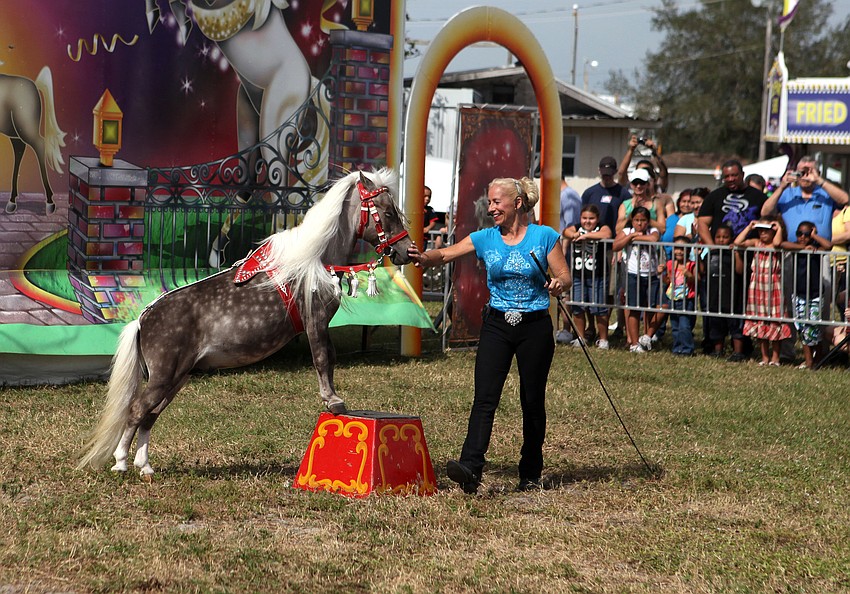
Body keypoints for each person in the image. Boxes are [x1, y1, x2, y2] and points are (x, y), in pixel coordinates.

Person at [408, 177, 571, 494]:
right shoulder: (485, 238)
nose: (491, 207)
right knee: (484, 399)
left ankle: (530, 473)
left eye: (497, 202)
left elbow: (564, 276)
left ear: (517, 203)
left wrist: (558, 284)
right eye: (490, 201)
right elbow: (445, 254)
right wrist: (422, 257)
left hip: (534, 325)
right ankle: (470, 468)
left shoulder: (544, 237)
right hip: (497, 324)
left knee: (532, 400)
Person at [734, 218, 792, 366]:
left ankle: (775, 357)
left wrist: (778, 228)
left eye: (766, 231)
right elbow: (738, 242)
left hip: (773, 286)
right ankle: (764, 356)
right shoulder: (755, 242)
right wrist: (749, 227)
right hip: (757, 285)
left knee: (774, 321)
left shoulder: (776, 244)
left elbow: (778, 243)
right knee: (760, 321)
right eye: (760, 231)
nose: (763, 233)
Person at [780, 221, 832, 369]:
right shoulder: (796, 247)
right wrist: (803, 247)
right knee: (801, 327)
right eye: (799, 234)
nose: (802, 237)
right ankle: (809, 360)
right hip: (799, 294)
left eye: (807, 234)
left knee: (813, 327)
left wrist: (815, 237)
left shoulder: (817, 248)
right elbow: (783, 244)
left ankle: (817, 358)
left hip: (815, 294)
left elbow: (828, 246)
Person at [761, 157, 849, 243]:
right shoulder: (787, 193)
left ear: (818, 173)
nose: (805, 176)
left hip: (820, 250)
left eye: (809, 171)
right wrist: (782, 187)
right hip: (792, 250)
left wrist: (819, 181)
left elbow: (845, 199)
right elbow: (765, 213)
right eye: (801, 172)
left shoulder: (825, 193)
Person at [612, 206, 662, 353]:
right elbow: (616, 245)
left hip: (651, 274)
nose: (640, 223)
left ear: (648, 221)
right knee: (633, 308)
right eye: (636, 220)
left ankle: (647, 336)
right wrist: (629, 237)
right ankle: (634, 343)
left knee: (656, 307)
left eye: (643, 220)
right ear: (632, 220)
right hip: (633, 273)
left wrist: (634, 237)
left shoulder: (653, 230)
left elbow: (653, 239)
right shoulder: (627, 231)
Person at [563, 204, 612, 349]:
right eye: (584, 218)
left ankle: (603, 339)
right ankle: (580, 337)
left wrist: (586, 236)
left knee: (599, 308)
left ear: (597, 219)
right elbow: (567, 231)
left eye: (591, 218)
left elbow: (606, 234)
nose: (587, 221)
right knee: (578, 307)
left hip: (598, 276)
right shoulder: (576, 227)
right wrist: (573, 235)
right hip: (578, 275)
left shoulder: (602, 227)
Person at [697, 160, 766, 245]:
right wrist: (712, 247)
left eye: (734, 175)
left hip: (748, 251)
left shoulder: (758, 196)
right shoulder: (714, 196)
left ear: (742, 175)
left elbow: (768, 221)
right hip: (720, 253)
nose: (730, 179)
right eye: (727, 176)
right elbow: (702, 223)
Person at [704, 224, 746, 361]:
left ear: (731, 238)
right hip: (715, 295)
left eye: (725, 237)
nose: (721, 240)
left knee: (735, 325)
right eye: (718, 237)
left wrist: (736, 254)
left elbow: (740, 271)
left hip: (732, 295)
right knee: (716, 324)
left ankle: (738, 352)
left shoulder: (733, 254)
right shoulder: (711, 253)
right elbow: (703, 271)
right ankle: (718, 350)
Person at [663, 236, 696, 355]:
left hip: (686, 299)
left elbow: (696, 279)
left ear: (688, 250)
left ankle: (687, 349)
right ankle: (677, 348)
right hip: (673, 298)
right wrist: (662, 273)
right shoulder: (671, 264)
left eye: (682, 249)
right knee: (675, 326)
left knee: (684, 326)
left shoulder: (691, 264)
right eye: (677, 248)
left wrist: (689, 274)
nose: (679, 251)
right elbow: (667, 281)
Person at [581, 156, 631, 234]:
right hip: (592, 239)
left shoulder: (624, 194)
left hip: (614, 240)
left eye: (609, 175)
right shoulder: (589, 193)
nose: (606, 177)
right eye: (604, 174)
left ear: (615, 172)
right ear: (599, 171)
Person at [616, 168, 667, 236]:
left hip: (650, 244)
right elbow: (618, 230)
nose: (638, 186)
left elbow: (662, 229)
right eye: (635, 183)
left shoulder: (656, 204)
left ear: (647, 184)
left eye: (642, 183)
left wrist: (644, 217)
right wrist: (632, 215)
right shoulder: (625, 205)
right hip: (630, 245)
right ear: (631, 185)